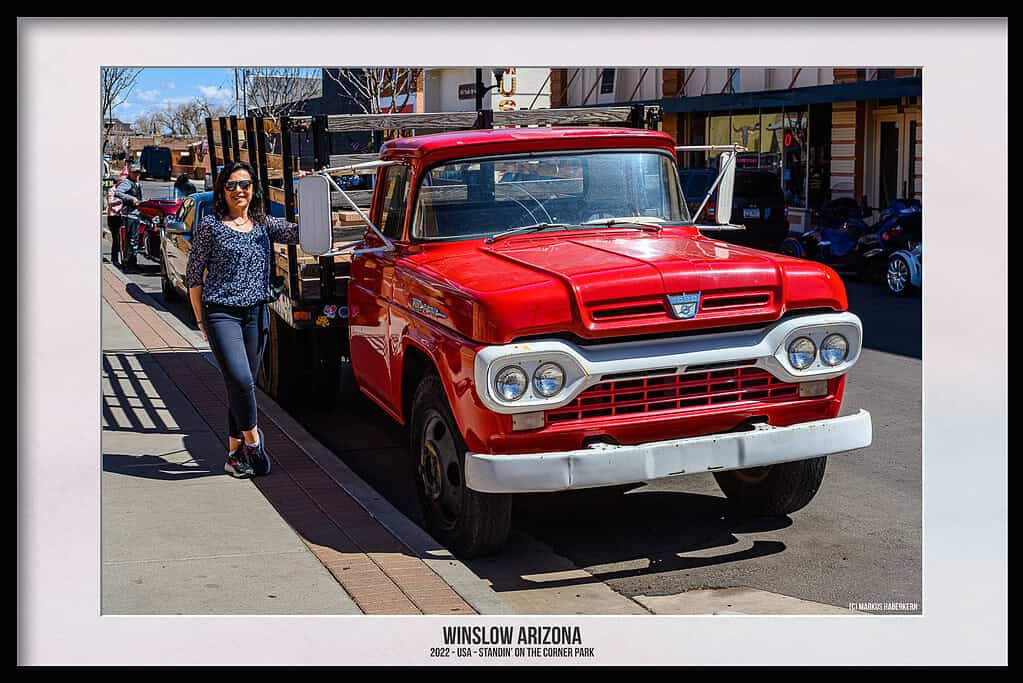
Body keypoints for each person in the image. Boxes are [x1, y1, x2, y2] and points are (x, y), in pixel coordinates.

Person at [185, 161, 303, 478]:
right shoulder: (210, 226)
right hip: (221, 313)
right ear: (222, 191)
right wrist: (200, 320)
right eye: (232, 185)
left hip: (256, 313)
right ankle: (253, 443)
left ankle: (235, 454)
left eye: (246, 184)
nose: (240, 190)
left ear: (254, 189)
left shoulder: (263, 224)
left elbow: (302, 232)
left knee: (243, 387)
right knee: (240, 379)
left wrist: (306, 191)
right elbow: (193, 277)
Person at [113, 163, 144, 268]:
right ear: (130, 172)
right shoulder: (127, 183)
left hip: (136, 214)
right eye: (135, 173)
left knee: (134, 239)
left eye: (138, 173)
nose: (137, 175)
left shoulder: (136, 183)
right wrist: (131, 198)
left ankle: (132, 262)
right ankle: (129, 263)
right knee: (131, 240)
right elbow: (118, 192)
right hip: (129, 215)